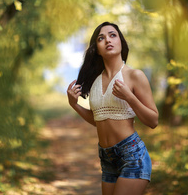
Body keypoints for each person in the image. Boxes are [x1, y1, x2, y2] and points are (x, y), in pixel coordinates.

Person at [67, 21, 159, 195]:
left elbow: (153, 121)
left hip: (132, 155)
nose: (107, 40)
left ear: (121, 42)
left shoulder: (135, 76)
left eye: (112, 35)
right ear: (97, 49)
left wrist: (129, 97)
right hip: (107, 159)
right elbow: (99, 119)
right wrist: (74, 105)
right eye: (101, 38)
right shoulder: (94, 81)